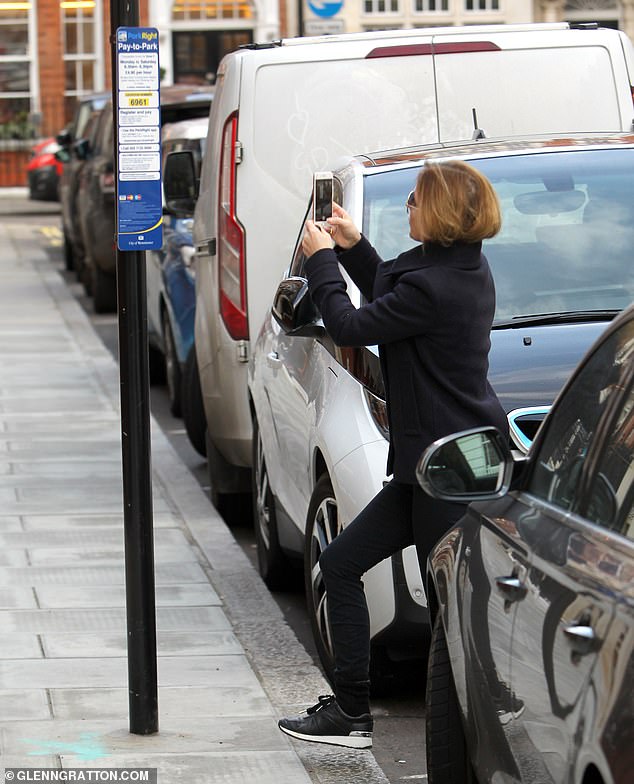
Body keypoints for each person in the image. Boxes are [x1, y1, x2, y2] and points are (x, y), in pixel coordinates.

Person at [277, 160, 509, 749]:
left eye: (413, 199)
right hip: (428, 469)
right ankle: (352, 712)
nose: (406, 205)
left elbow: (352, 325)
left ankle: (481, 716)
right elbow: (394, 293)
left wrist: (322, 261)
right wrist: (354, 248)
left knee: (447, 609)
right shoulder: (461, 270)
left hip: (446, 472)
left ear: (439, 212)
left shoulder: (435, 285)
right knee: (344, 564)